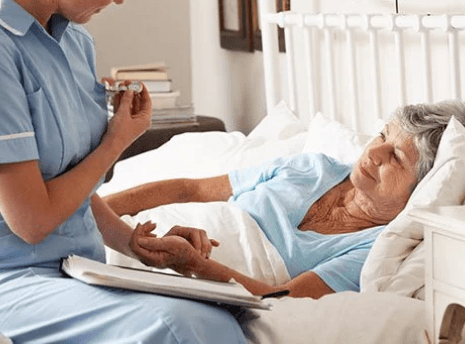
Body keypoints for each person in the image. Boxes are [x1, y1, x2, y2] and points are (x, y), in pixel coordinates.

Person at [0, 0, 246, 343]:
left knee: (223, 312)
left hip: (81, 270)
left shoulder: (76, 43)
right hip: (15, 281)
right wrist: (116, 142)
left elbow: (67, 185)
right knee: (182, 327)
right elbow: (33, 220)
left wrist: (134, 243)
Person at [105, 100, 465, 298]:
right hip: (151, 227)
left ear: (424, 186)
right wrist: (98, 211)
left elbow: (282, 298)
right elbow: (190, 190)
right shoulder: (312, 166)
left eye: (398, 158)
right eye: (382, 136)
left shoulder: (374, 248)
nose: (374, 154)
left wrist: (195, 265)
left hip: (188, 266)